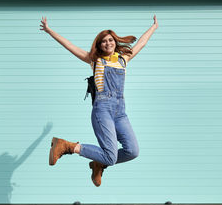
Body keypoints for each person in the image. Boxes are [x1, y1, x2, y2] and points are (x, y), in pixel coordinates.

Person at [39, 15, 158, 186]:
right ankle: (67, 146)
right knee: (110, 156)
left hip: (120, 112)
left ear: (115, 42)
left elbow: (141, 43)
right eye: (103, 41)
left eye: (110, 40)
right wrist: (50, 31)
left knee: (132, 151)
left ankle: (99, 163)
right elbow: (70, 46)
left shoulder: (124, 59)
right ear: (99, 45)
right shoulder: (94, 60)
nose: (108, 43)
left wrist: (154, 27)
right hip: (102, 110)